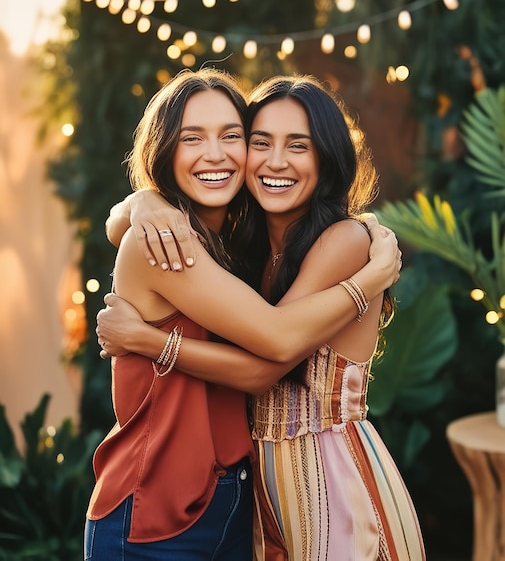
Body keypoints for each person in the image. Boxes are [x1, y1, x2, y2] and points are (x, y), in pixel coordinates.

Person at [97, 74, 424, 560]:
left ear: (326, 157)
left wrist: (148, 341)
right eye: (260, 142)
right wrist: (137, 202)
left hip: (330, 480)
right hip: (234, 495)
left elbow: (271, 358)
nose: (275, 161)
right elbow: (270, 344)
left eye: (299, 145)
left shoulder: (343, 241)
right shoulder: (232, 245)